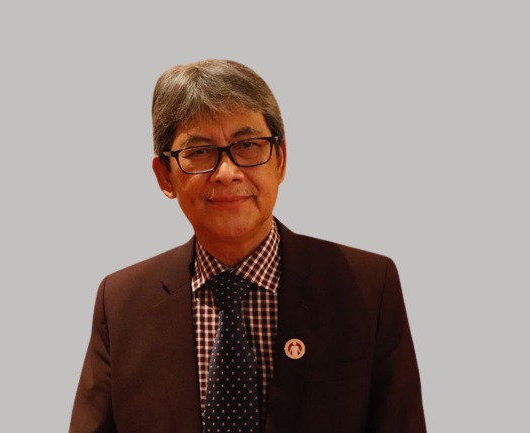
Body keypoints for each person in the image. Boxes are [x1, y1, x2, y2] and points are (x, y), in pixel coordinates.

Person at [69, 59, 427, 433]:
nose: (227, 173)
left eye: (249, 145)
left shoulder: (367, 286)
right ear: (165, 177)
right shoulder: (123, 302)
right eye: (200, 151)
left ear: (281, 160)